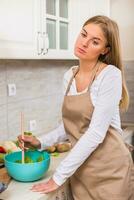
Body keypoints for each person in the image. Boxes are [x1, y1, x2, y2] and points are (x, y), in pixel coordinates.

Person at [18, 15, 134, 199]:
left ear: (105, 50)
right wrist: (41, 142)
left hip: (111, 173)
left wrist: (58, 177)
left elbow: (96, 132)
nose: (84, 43)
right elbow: (71, 125)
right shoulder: (69, 76)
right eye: (83, 34)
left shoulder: (110, 75)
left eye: (94, 42)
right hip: (81, 170)